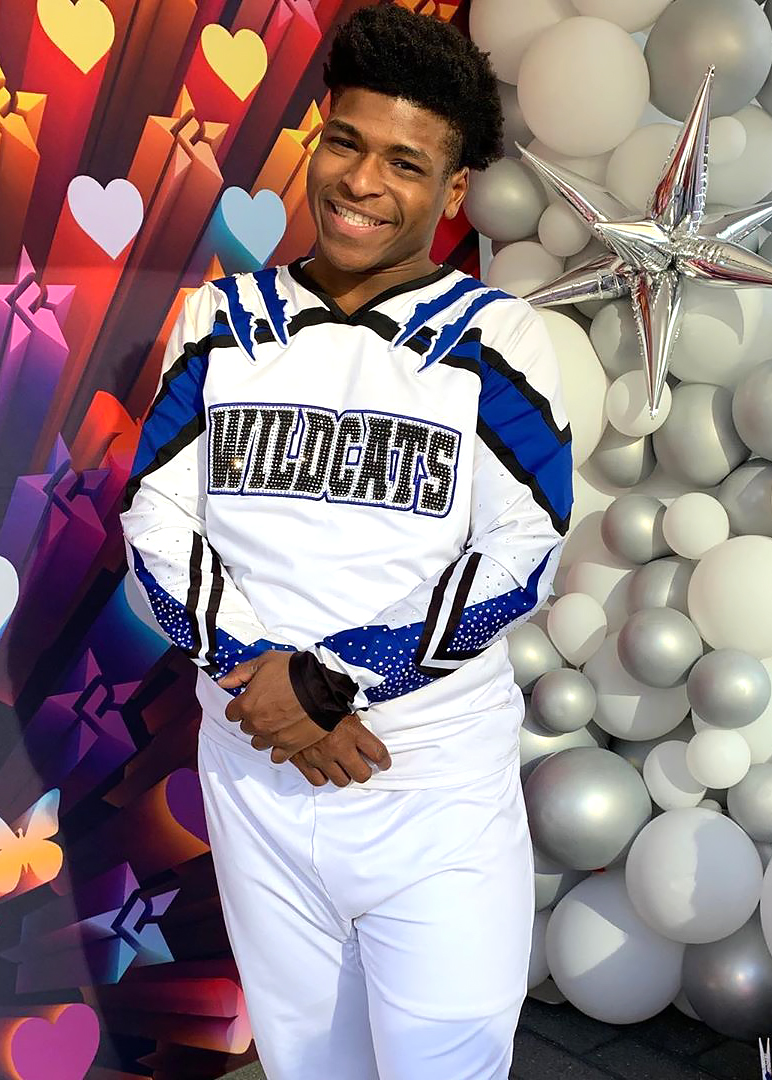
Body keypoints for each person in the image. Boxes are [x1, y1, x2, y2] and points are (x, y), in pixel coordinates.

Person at [119, 5, 573, 1078]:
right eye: (346, 143)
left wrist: (329, 684)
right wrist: (263, 680)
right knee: (308, 1066)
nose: (363, 182)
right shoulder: (220, 322)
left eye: (405, 163)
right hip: (256, 771)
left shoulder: (496, 339)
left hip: (427, 789)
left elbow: (524, 549)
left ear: (451, 192)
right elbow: (153, 516)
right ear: (316, 141)